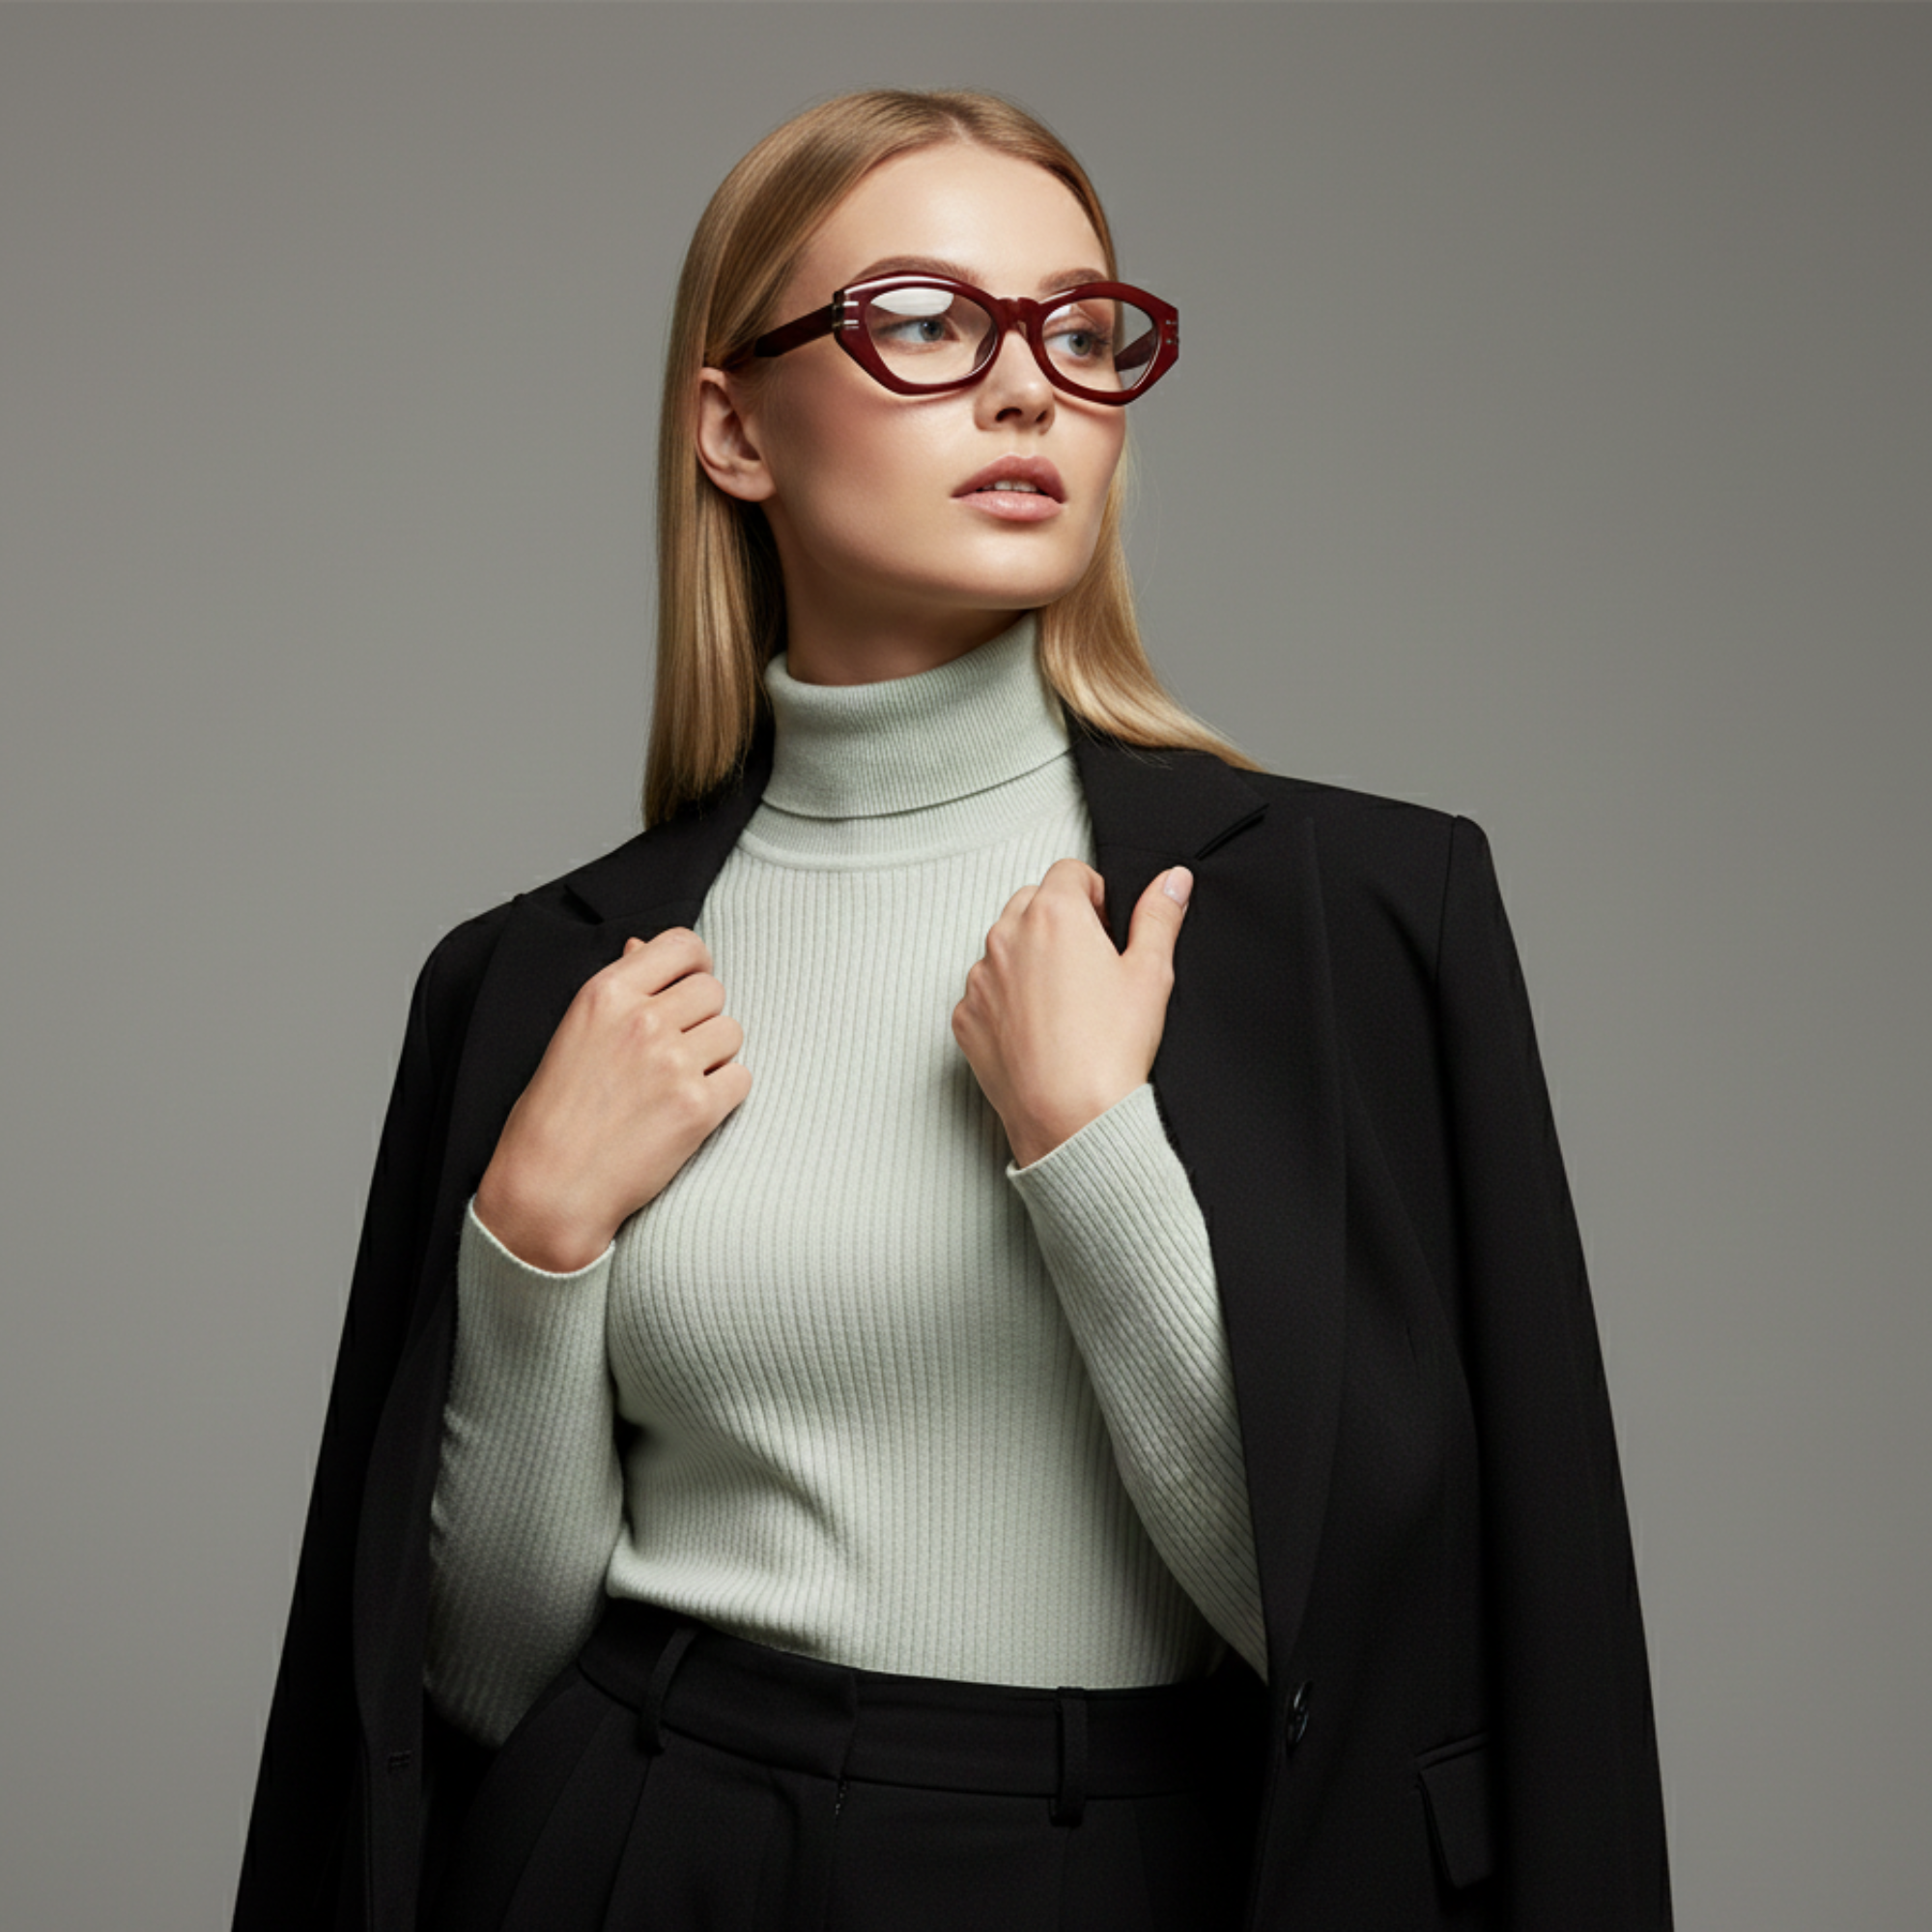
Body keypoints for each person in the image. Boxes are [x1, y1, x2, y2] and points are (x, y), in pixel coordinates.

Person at [233, 89, 1671, 1932]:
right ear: (733, 428)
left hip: (1121, 1872)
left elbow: (1355, 1644)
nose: (1029, 391)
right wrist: (529, 1250)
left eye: (1081, 331)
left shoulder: (1361, 917)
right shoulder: (533, 978)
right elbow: (476, 1692)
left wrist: (1093, 1154)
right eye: (923, 322)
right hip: (634, 1858)